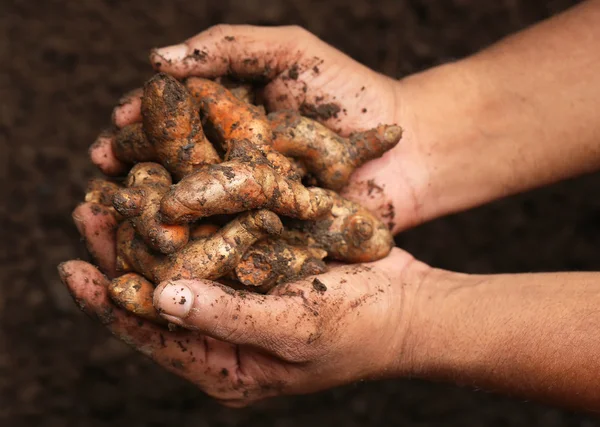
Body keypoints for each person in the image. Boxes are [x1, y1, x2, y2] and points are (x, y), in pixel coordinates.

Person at [59, 0, 600, 411]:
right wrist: (423, 119)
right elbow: (179, 212)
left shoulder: (263, 180)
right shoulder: (221, 177)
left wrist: (408, 324)